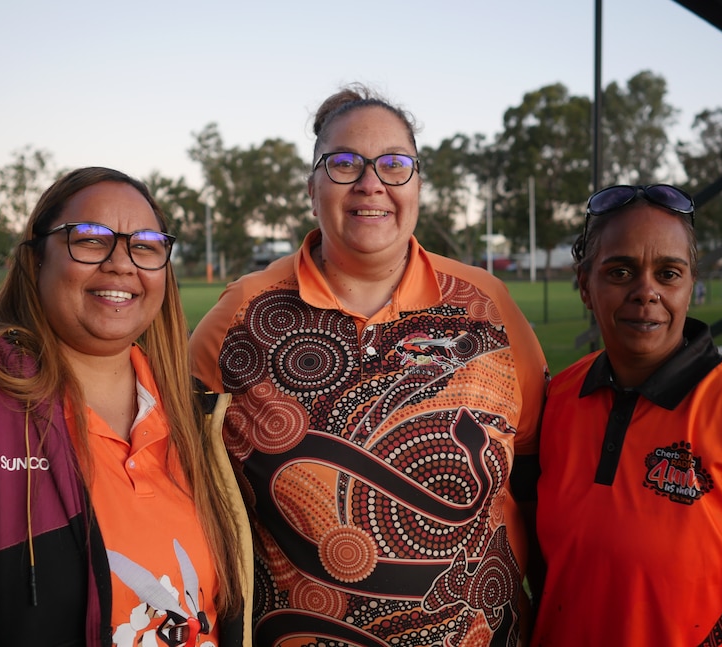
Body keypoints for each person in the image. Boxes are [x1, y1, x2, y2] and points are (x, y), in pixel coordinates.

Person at [190, 84, 549, 646]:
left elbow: (534, 472)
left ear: (418, 185)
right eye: (343, 164)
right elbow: (176, 467)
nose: (370, 183)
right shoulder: (242, 314)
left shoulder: (488, 304)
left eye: (394, 164)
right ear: (312, 187)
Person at [0, 167, 252, 646]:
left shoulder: (193, 414)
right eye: (91, 239)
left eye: (145, 245)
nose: (122, 264)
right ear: (36, 258)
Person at [531, 184, 722, 646]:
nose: (645, 292)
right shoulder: (557, 398)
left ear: (690, 286)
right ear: (585, 286)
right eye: (620, 271)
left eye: (668, 273)